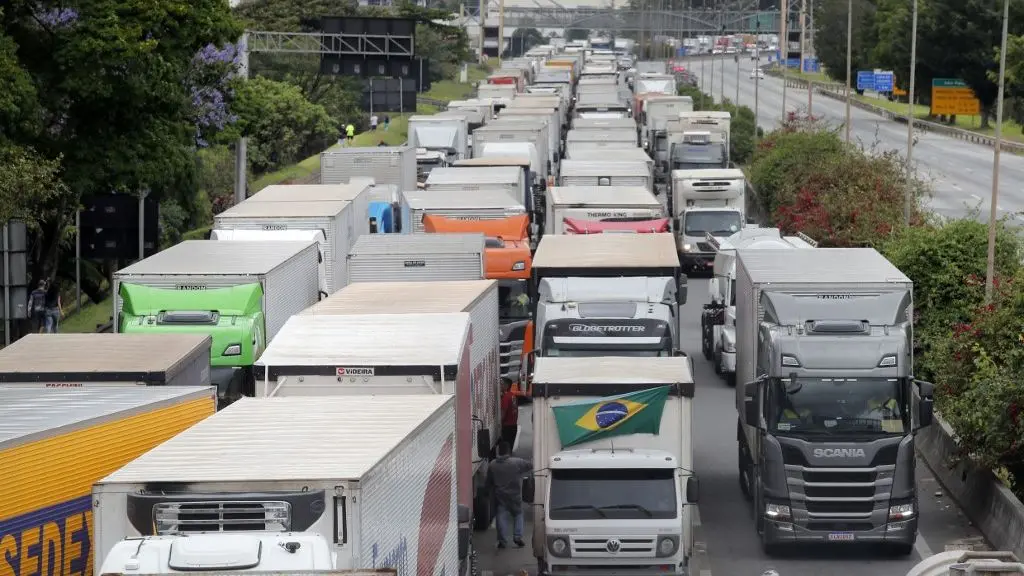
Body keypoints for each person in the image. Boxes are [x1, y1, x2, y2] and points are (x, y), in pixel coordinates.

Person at [485, 441, 531, 549]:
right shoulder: (517, 462)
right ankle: (517, 537)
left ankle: (502, 540)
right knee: (518, 515)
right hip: (515, 495)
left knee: (501, 516)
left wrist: (487, 492)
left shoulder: (493, 464)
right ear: (508, 451)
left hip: (500, 496)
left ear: (498, 451)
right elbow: (530, 465)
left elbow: (489, 482)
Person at [500, 377, 519, 448]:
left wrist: (499, 424)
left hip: (507, 427)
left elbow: (503, 413)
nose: (500, 385)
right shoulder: (512, 396)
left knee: (505, 449)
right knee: (509, 448)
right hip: (513, 426)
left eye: (502, 384)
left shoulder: (506, 397)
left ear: (507, 385)